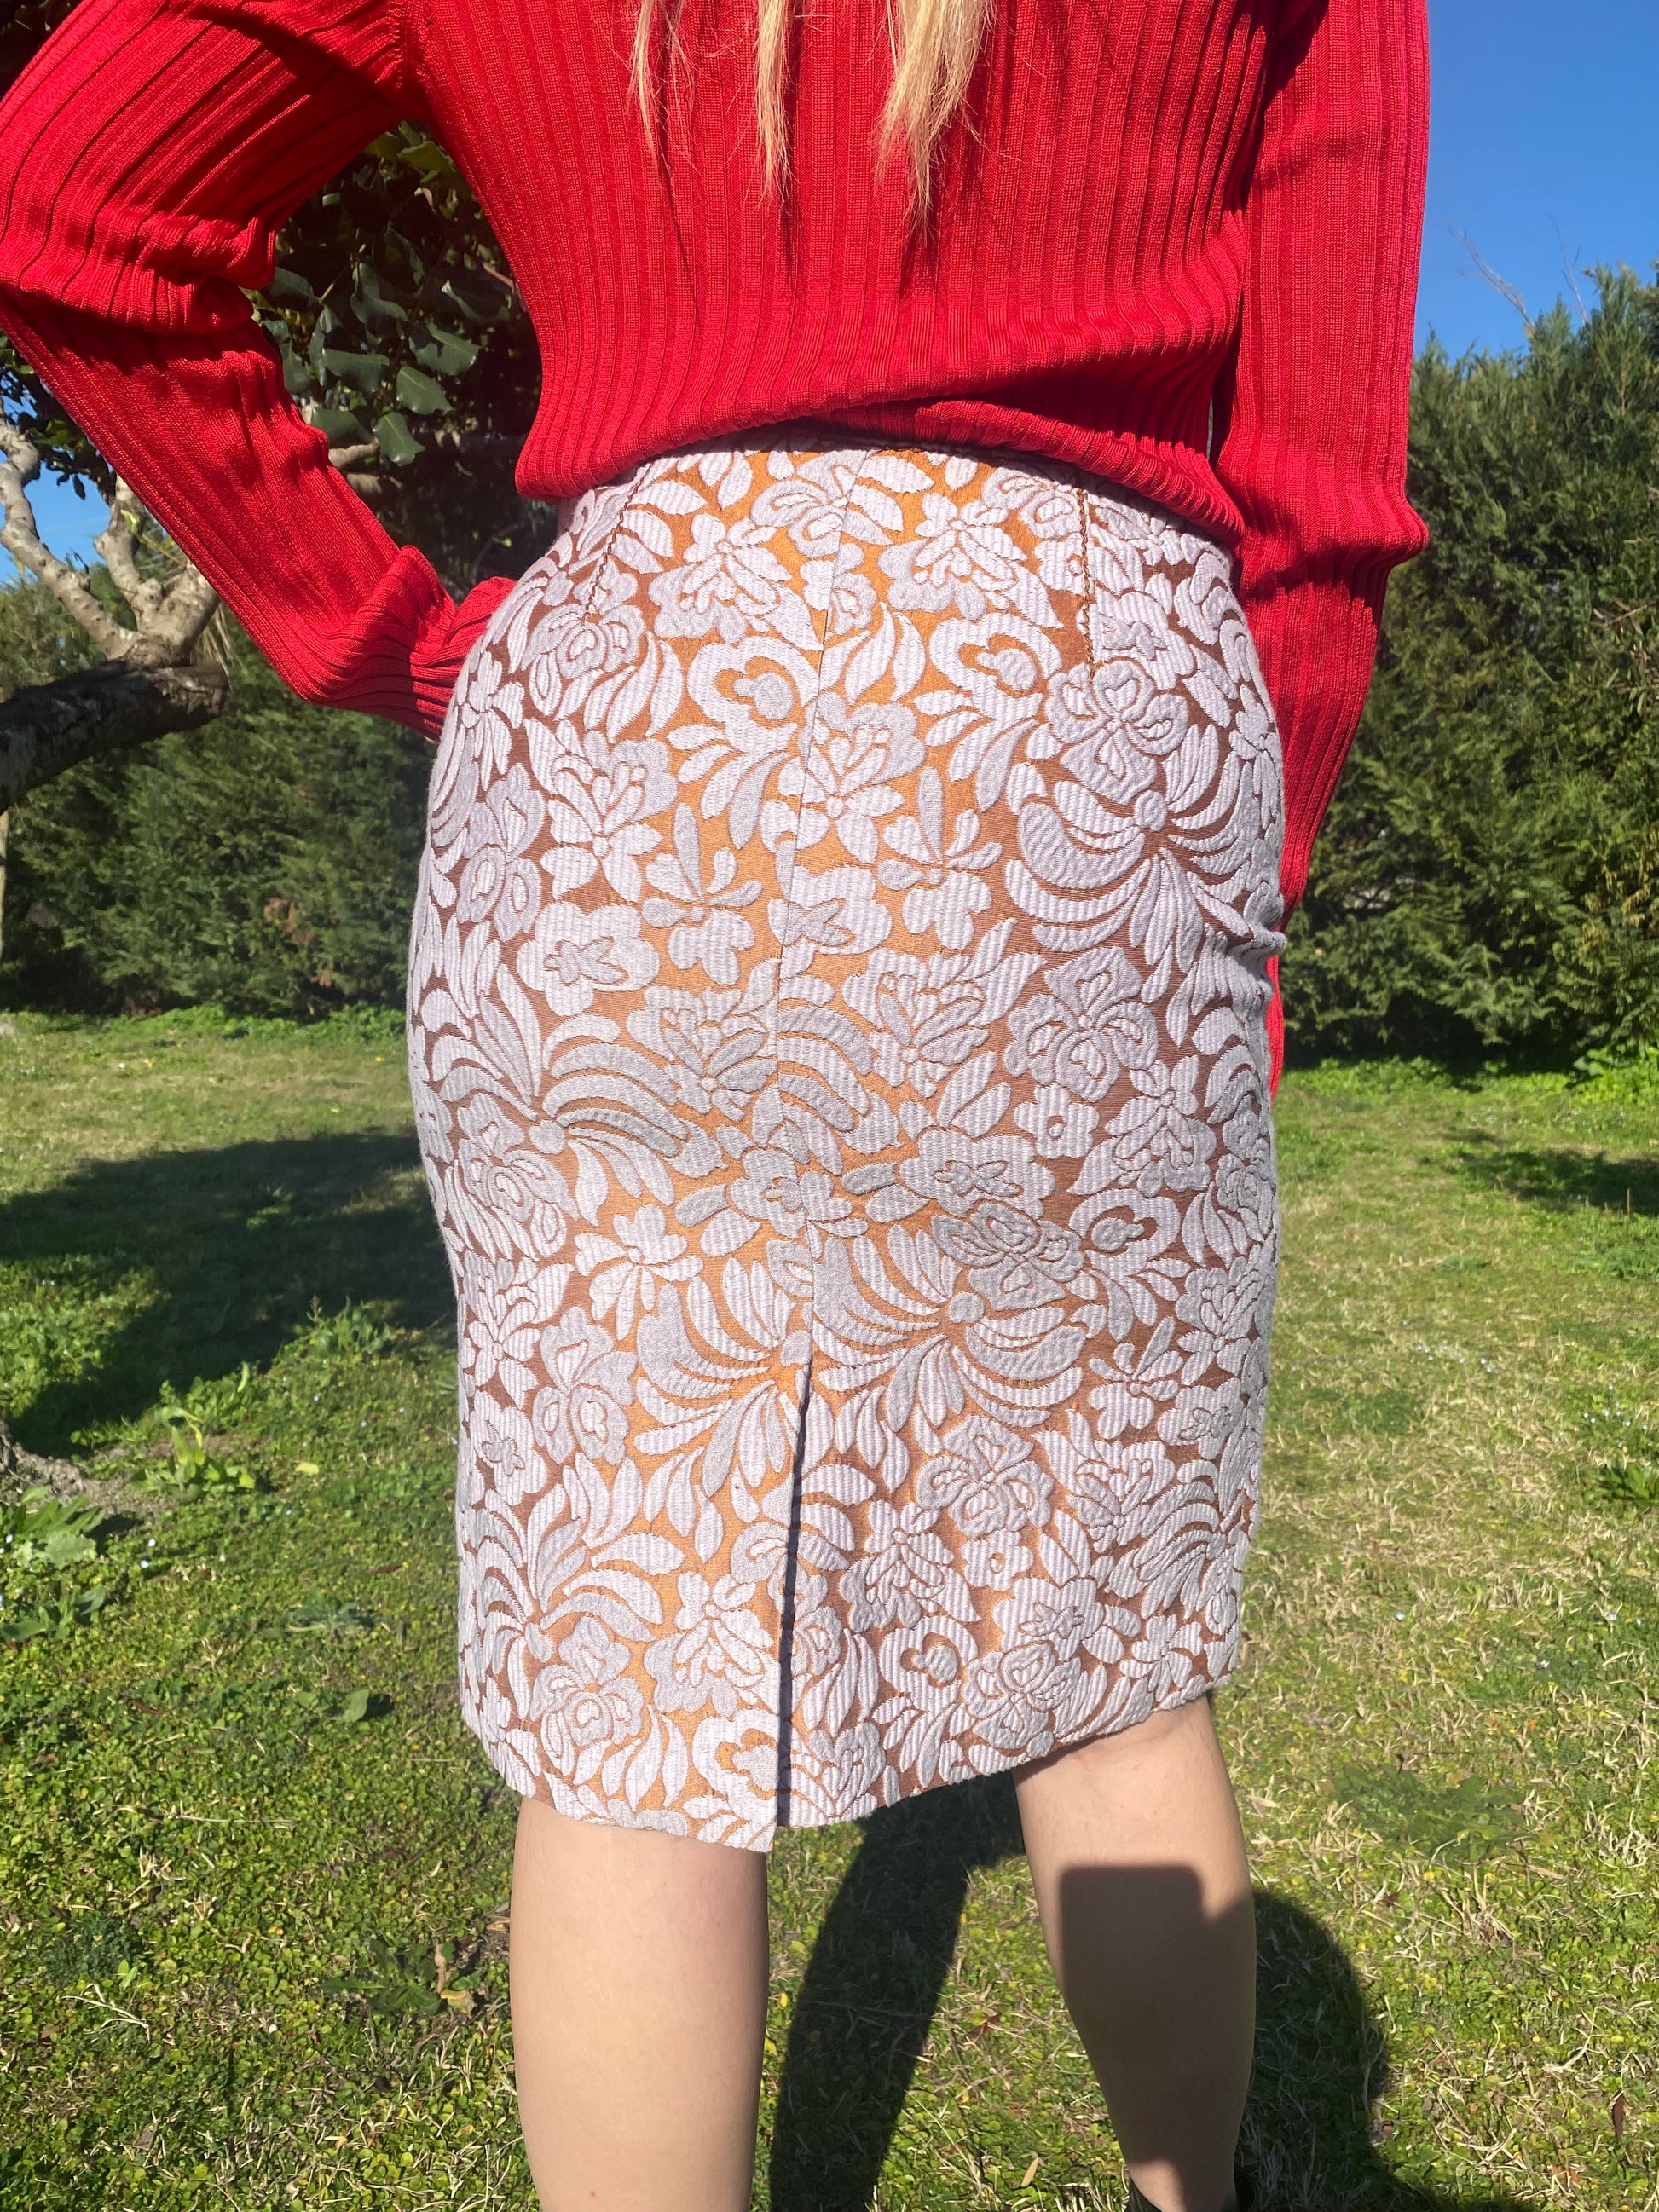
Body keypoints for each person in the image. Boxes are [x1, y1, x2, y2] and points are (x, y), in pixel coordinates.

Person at [0, 1, 1426, 2204]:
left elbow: (69, 205)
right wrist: (1241, 899)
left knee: (632, 1671)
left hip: (636, 719)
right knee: (1109, 1642)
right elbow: (1320, 510)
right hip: (1081, 733)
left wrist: (366, 623)